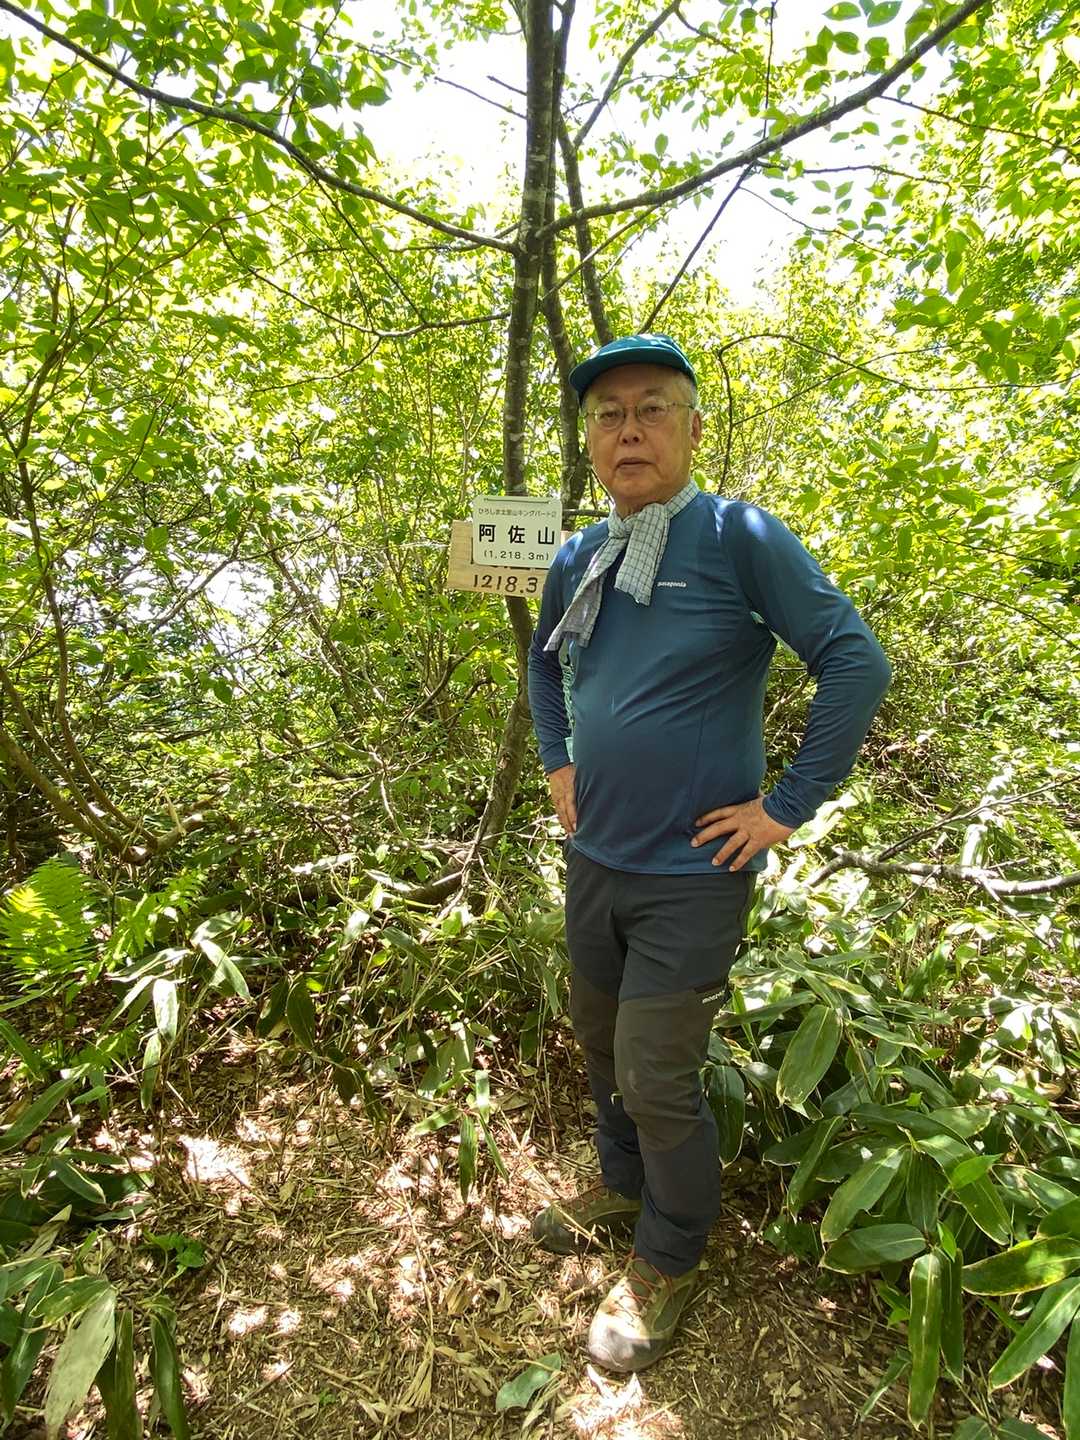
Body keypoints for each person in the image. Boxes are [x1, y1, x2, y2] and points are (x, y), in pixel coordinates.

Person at [526, 333, 891, 1374]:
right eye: (608, 415)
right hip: (596, 857)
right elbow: (546, 668)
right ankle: (624, 1186)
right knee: (601, 1040)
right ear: (589, 441)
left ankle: (671, 1255)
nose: (628, 430)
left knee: (655, 1072)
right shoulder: (579, 556)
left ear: (691, 427)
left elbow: (855, 663)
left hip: (693, 874)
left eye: (652, 408)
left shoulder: (738, 537)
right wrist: (557, 760)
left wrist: (785, 807)